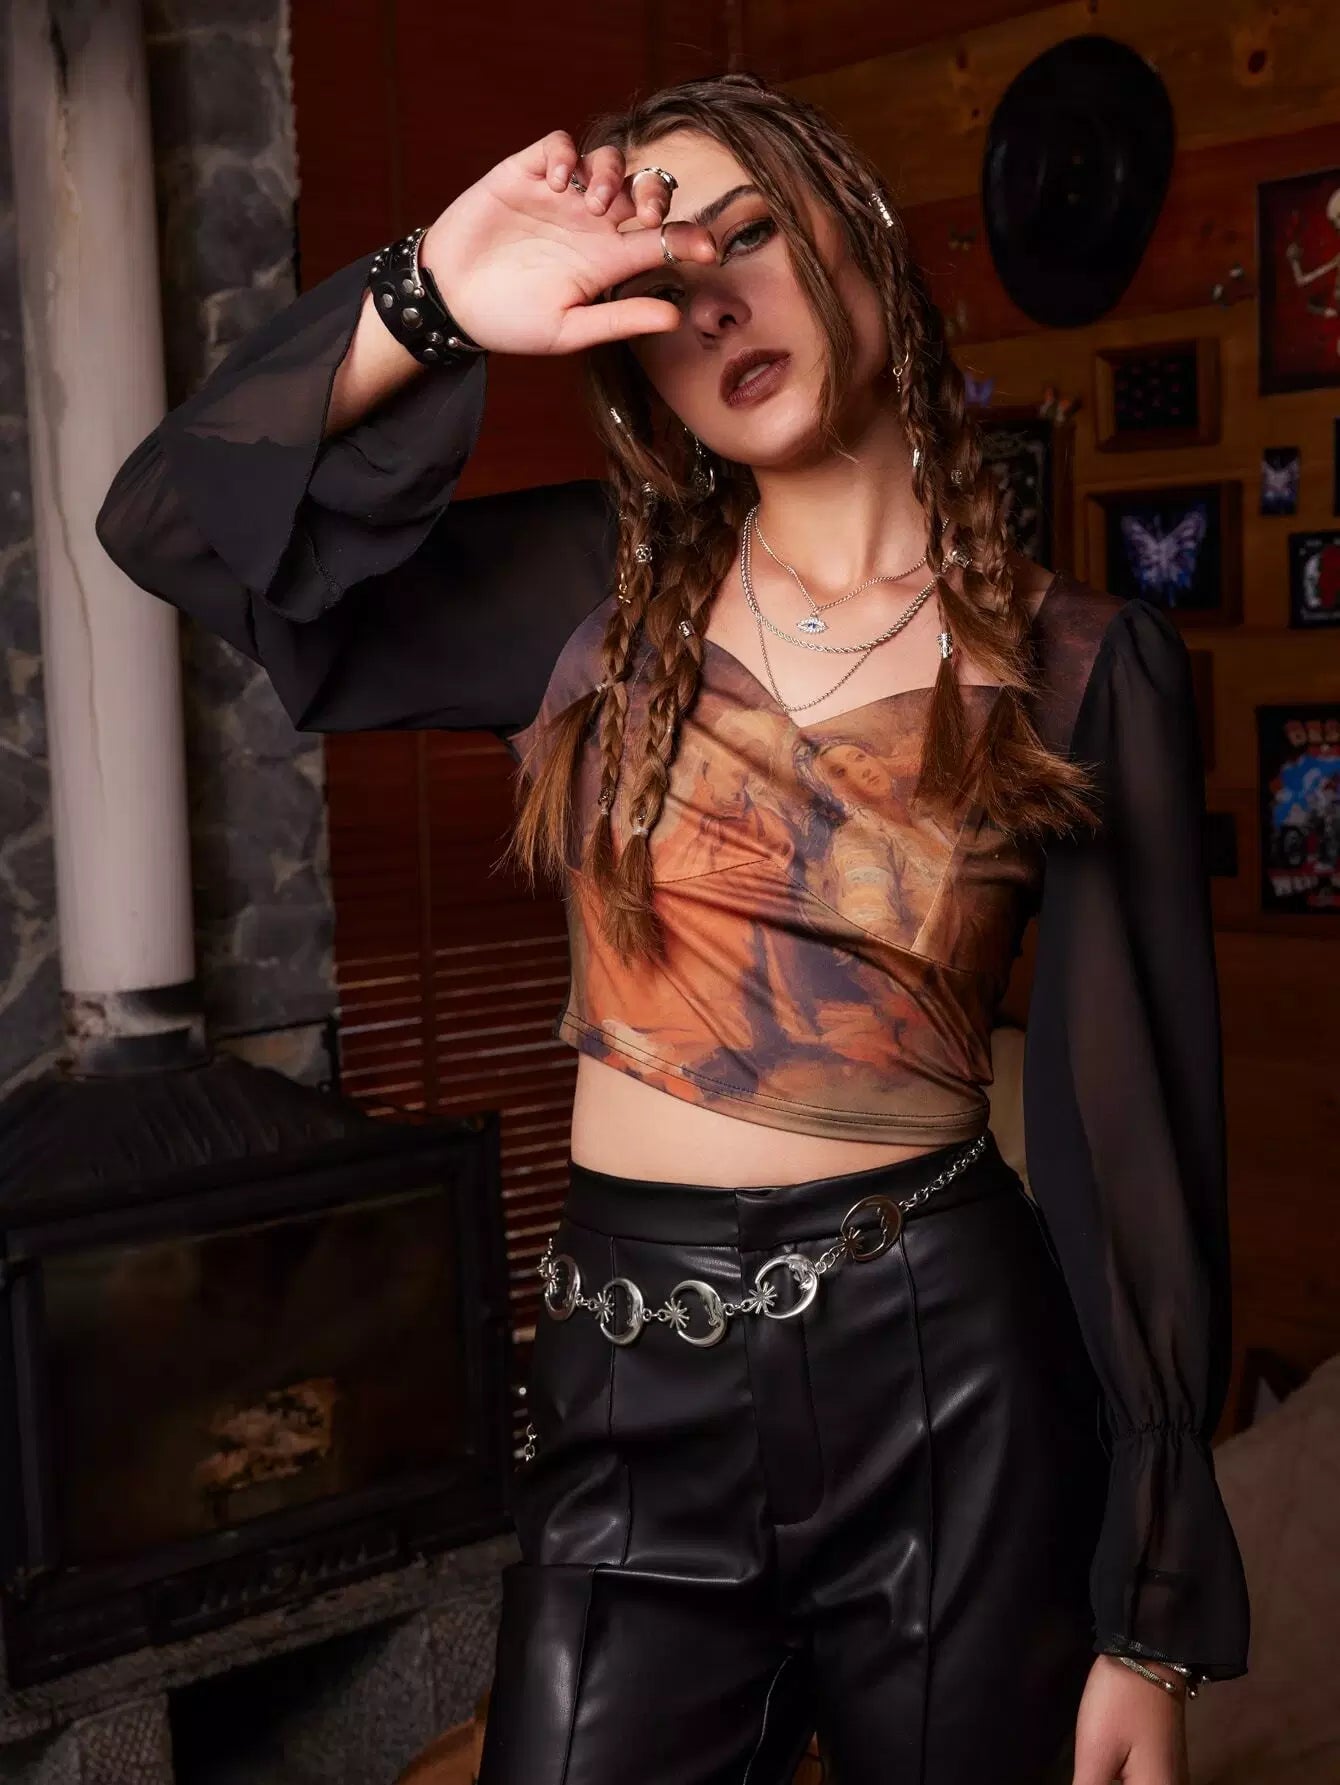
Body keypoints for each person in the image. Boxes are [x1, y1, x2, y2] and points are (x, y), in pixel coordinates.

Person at [95, 69, 1249, 1785]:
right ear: (632, 358)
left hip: (951, 1379)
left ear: (861, 234)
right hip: (631, 1380)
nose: (715, 304)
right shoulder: (592, 604)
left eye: (752, 235)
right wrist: (437, 292)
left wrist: (1149, 1618)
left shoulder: (1082, 665)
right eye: (662, 286)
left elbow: (1132, 1141)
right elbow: (169, 521)